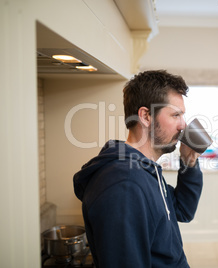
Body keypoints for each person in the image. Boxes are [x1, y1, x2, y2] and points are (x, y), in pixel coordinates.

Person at [73, 70, 203, 267]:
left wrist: (189, 163)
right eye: (176, 115)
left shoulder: (145, 169)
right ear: (146, 116)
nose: (183, 125)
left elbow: (183, 210)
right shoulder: (124, 185)